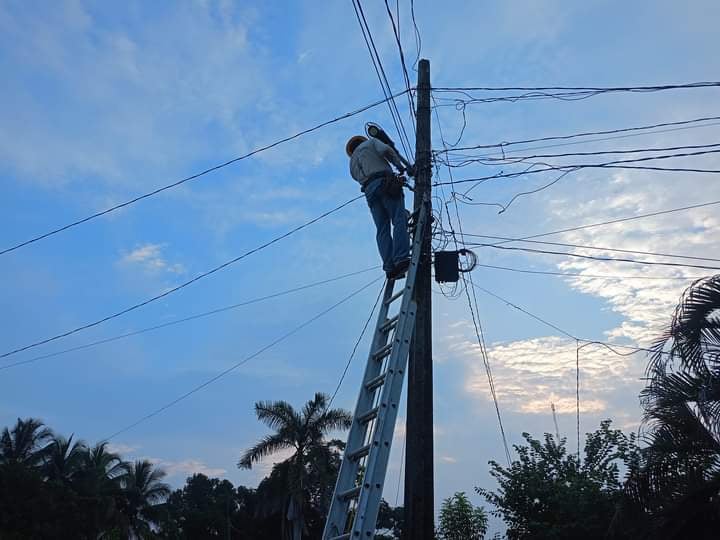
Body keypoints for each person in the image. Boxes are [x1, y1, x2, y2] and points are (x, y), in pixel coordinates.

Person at [346, 134, 415, 279]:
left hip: (369, 192)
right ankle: (401, 258)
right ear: (362, 140)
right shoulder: (371, 143)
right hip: (384, 183)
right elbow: (386, 150)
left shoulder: (351, 163)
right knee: (399, 219)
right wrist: (400, 167)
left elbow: (355, 177)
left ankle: (389, 267)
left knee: (382, 229)